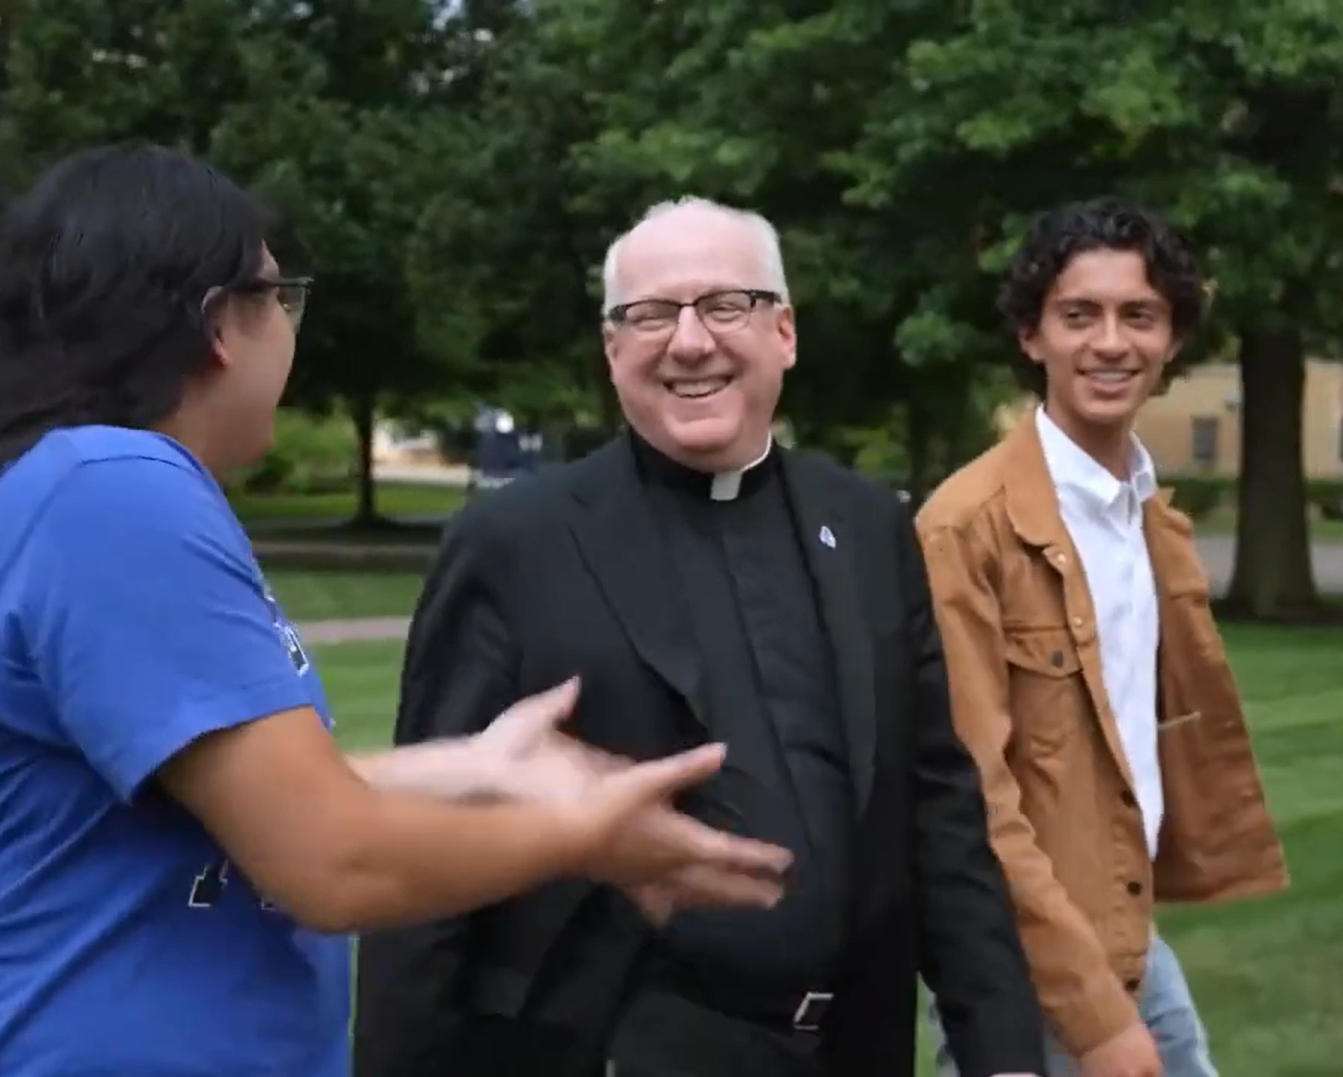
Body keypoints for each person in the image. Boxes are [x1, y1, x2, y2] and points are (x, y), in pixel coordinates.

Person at [0, 146, 795, 1077]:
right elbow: (334, 862)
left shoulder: (61, 490)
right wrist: (577, 832)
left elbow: (214, 803)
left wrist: (470, 768)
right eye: (278, 293)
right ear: (218, 325)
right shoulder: (112, 489)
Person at [352, 197, 1047, 1077]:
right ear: (612, 352)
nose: (688, 341)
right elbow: (425, 850)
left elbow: (940, 817)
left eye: (725, 305)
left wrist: (1007, 1059)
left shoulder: (869, 528)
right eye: (649, 315)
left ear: (784, 332)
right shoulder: (516, 542)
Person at [914, 198, 1290, 1077]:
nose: (1110, 342)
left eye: (1139, 316)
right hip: (1020, 951)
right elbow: (972, 799)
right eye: (1078, 315)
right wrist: (1094, 1022)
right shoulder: (966, 528)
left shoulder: (1146, 516)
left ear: (1172, 341)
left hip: (1123, 925)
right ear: (1030, 336)